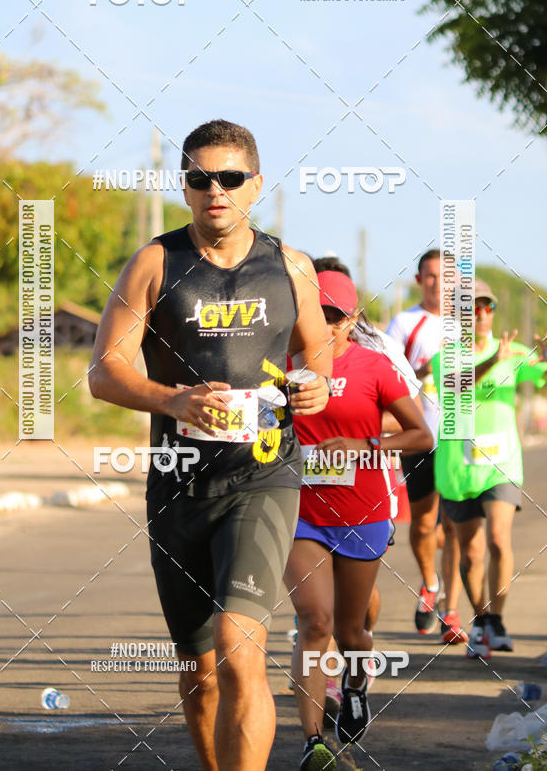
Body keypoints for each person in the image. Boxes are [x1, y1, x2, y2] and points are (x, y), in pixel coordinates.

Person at [88, 119, 333, 771]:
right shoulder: (155, 263)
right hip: (178, 485)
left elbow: (318, 346)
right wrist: (171, 399)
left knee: (238, 642)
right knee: (200, 673)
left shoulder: (290, 265)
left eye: (229, 178)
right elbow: (103, 372)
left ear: (255, 185)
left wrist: (317, 385)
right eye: (200, 179)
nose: (214, 190)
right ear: (185, 187)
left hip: (262, 474)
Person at [284, 270, 432, 767]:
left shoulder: (373, 368)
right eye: (316, 314)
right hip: (300, 513)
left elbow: (421, 436)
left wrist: (365, 444)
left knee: (351, 632)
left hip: (361, 514)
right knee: (314, 621)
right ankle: (312, 742)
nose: (324, 325)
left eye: (335, 316)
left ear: (352, 320)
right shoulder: (281, 367)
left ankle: (353, 684)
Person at [431, 279, 547, 657]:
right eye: (472, 308)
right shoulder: (445, 355)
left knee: (499, 539)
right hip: (459, 467)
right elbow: (452, 386)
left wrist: (545, 357)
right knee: (472, 552)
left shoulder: (514, 352)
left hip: (502, 464)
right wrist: (490, 364)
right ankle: (480, 619)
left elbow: (539, 372)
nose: (481, 315)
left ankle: (496, 620)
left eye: (487, 307)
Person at [386, 249, 463, 643]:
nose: (437, 283)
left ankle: (451, 609)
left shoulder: (467, 322)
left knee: (454, 526)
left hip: (458, 439)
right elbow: (390, 378)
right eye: (430, 276)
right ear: (419, 280)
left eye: (444, 276)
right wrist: (423, 369)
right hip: (419, 435)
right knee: (424, 523)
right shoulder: (404, 323)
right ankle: (430, 582)